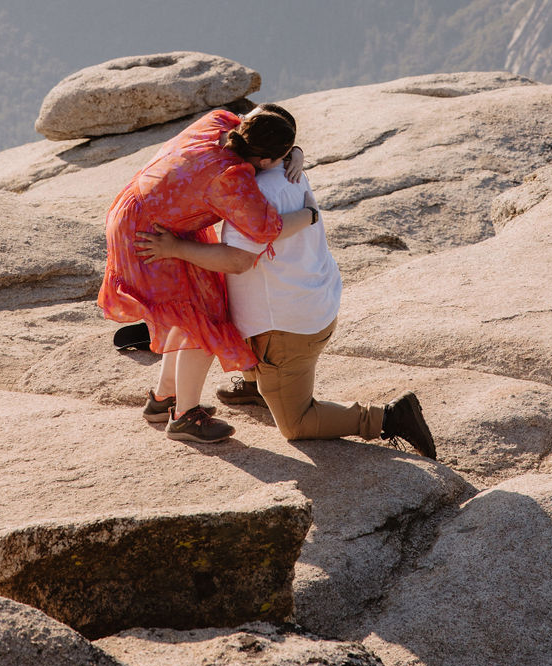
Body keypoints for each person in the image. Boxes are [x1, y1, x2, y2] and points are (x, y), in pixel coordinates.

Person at [137, 145, 437, 458]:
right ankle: (257, 386)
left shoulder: (254, 193)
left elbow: (238, 261)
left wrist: (173, 249)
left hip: (285, 326)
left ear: (263, 156)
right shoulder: (281, 169)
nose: (230, 148)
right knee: (209, 311)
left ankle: (388, 417)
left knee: (296, 423)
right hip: (308, 301)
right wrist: (295, 153)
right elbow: (270, 130)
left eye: (240, 145)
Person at [99, 103, 316, 442]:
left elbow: (258, 119)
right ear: (265, 162)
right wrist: (311, 215)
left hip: (139, 214)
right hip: (149, 237)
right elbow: (267, 227)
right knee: (203, 320)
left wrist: (296, 151)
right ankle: (185, 417)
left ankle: (162, 400)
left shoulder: (217, 123)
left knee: (189, 313)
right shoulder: (230, 178)